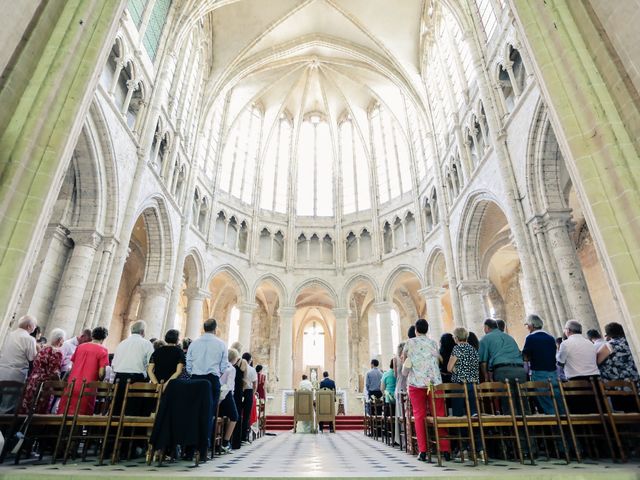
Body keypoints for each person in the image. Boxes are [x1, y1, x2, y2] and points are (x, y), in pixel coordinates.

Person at [403, 319, 449, 462]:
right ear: (427, 330)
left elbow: (404, 359)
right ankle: (445, 450)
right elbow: (438, 360)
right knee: (439, 415)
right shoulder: (433, 343)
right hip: (434, 382)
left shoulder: (409, 343)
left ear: (416, 330)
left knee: (419, 416)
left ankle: (423, 451)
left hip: (416, 383)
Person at [187, 318, 229, 451]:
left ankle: (189, 448)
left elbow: (188, 365)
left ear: (203, 328)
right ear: (215, 329)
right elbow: (224, 366)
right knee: (209, 413)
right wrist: (216, 373)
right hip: (211, 380)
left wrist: (194, 373)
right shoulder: (221, 344)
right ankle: (204, 447)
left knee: (193, 412)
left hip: (195, 380)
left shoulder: (194, 344)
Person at [478, 318, 526, 413]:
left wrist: (487, 377)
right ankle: (527, 426)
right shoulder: (509, 337)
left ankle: (512, 426)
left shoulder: (486, 338)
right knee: (522, 400)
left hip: (503, 371)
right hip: (520, 370)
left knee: (508, 401)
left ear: (486, 327)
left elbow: (483, 361)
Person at [447, 327, 481, 458]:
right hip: (473, 385)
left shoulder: (457, 348)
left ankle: (462, 448)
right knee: (473, 415)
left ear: (456, 338)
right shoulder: (473, 349)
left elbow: (449, 368)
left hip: (460, 386)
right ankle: (478, 448)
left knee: (459, 417)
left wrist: (459, 372)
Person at [60, 326, 109, 415]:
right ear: (103, 338)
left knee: (66, 411)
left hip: (73, 384)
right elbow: (101, 374)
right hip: (88, 387)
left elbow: (73, 365)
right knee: (81, 415)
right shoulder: (103, 350)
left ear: (93, 336)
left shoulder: (80, 346)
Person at [521, 314, 562, 414]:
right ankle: (565, 425)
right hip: (553, 373)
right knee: (558, 401)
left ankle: (555, 427)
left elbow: (525, 356)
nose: (527, 328)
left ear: (531, 325)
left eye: (527, 325)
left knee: (546, 403)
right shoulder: (550, 338)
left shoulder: (530, 338)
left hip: (539, 373)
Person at [20, 328, 66, 414]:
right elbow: (54, 373)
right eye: (63, 339)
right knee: (38, 412)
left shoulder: (43, 349)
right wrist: (60, 385)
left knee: (26, 409)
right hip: (44, 386)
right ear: (60, 340)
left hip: (32, 382)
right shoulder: (56, 352)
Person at [0, 315, 38, 413]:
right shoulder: (29, 339)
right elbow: (32, 358)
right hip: (15, 375)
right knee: (7, 407)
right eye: (34, 325)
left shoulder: (9, 334)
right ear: (29, 326)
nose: (35, 328)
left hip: (1, 372)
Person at [597, 322, 639, 399]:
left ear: (608, 334)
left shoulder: (610, 345)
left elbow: (597, 361)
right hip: (635, 380)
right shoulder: (630, 341)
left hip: (619, 385)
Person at [112, 320, 154, 387]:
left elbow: (113, 364)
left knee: (118, 397)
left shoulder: (121, 343)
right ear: (142, 331)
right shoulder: (147, 344)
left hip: (119, 379)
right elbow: (151, 363)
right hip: (136, 380)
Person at [218, 348, 241, 453]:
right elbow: (229, 385)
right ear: (235, 359)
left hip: (217, 393)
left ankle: (217, 443)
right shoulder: (231, 368)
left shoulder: (219, 365)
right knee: (234, 417)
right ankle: (225, 442)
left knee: (219, 416)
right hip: (226, 394)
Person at [240, 352, 257, 444]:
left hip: (239, 392)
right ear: (250, 360)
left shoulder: (238, 368)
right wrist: (253, 394)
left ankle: (236, 436)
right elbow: (255, 385)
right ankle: (244, 437)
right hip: (248, 392)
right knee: (246, 415)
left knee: (239, 413)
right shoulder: (252, 369)